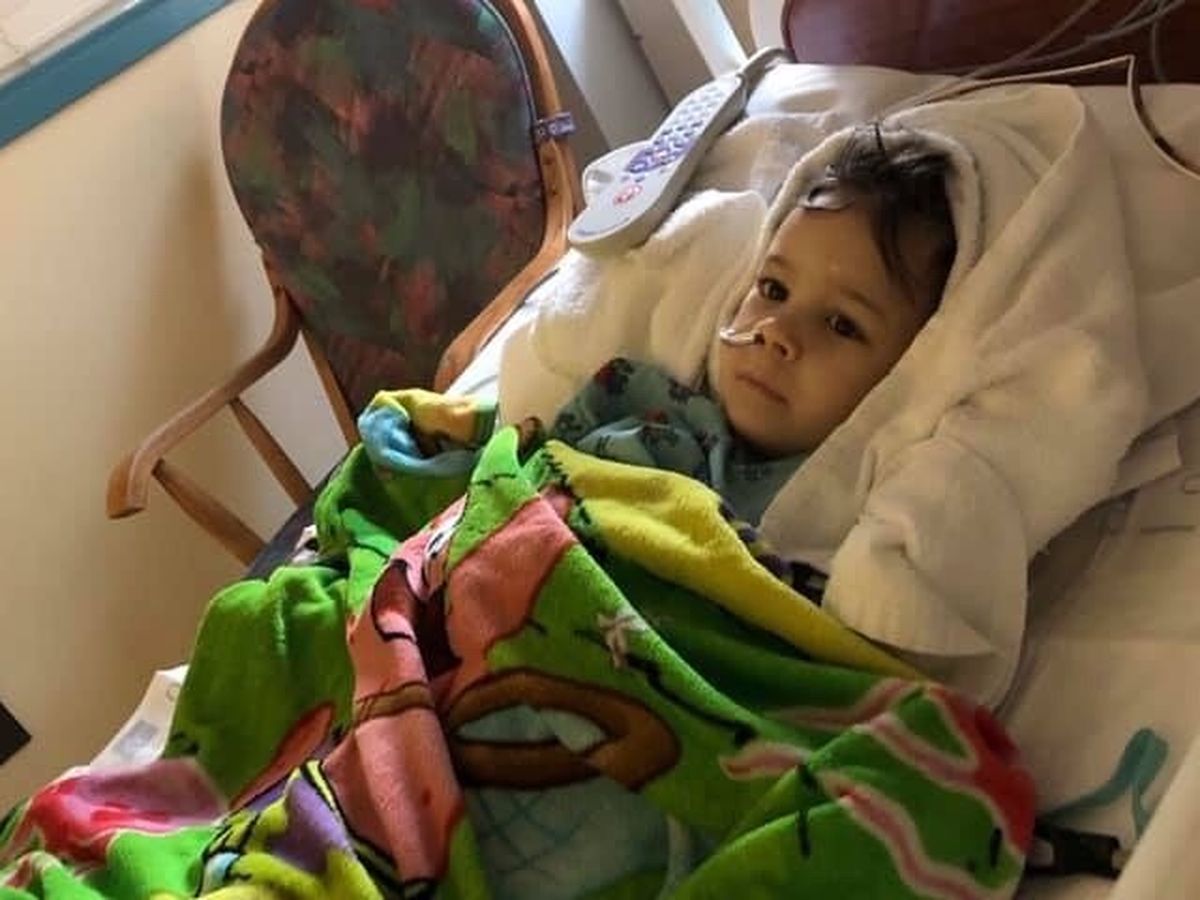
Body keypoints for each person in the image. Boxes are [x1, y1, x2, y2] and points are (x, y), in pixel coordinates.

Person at [549, 123, 958, 526]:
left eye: (841, 324)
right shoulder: (640, 407)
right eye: (774, 289)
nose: (774, 330)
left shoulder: (859, 516)